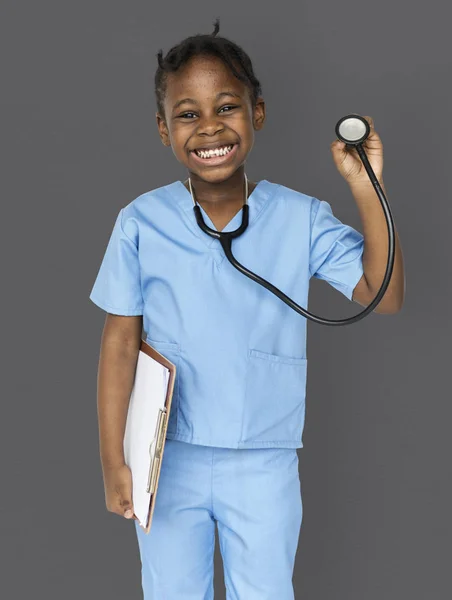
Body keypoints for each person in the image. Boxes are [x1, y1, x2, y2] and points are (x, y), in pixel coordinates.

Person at [89, 18, 405, 600]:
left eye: (227, 107)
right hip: (165, 459)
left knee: (264, 592)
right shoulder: (141, 222)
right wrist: (114, 461)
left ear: (257, 113)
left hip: (264, 460)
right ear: (163, 129)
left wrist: (367, 187)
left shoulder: (299, 217)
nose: (209, 127)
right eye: (188, 114)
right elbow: (117, 343)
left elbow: (381, 295)